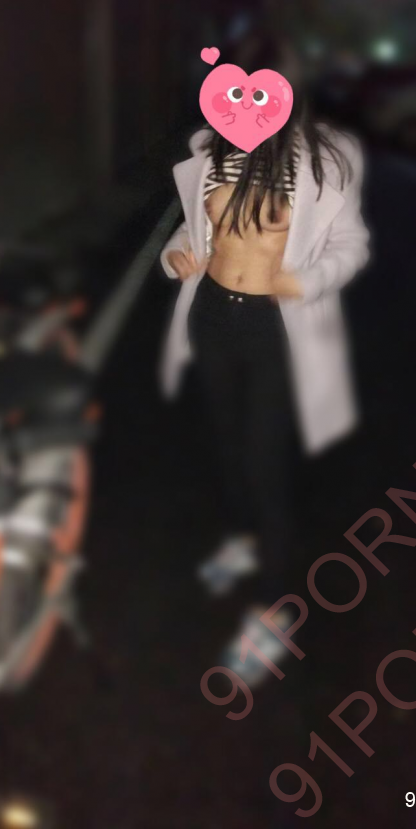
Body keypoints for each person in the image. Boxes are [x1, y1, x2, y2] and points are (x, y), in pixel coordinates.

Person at [158, 38, 370, 686]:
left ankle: (275, 613)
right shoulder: (212, 152)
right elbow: (194, 229)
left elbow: (351, 244)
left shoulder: (325, 161)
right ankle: (245, 540)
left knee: (263, 462)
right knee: (226, 444)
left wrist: (303, 281)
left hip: (276, 327)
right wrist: (177, 255)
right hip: (213, 316)